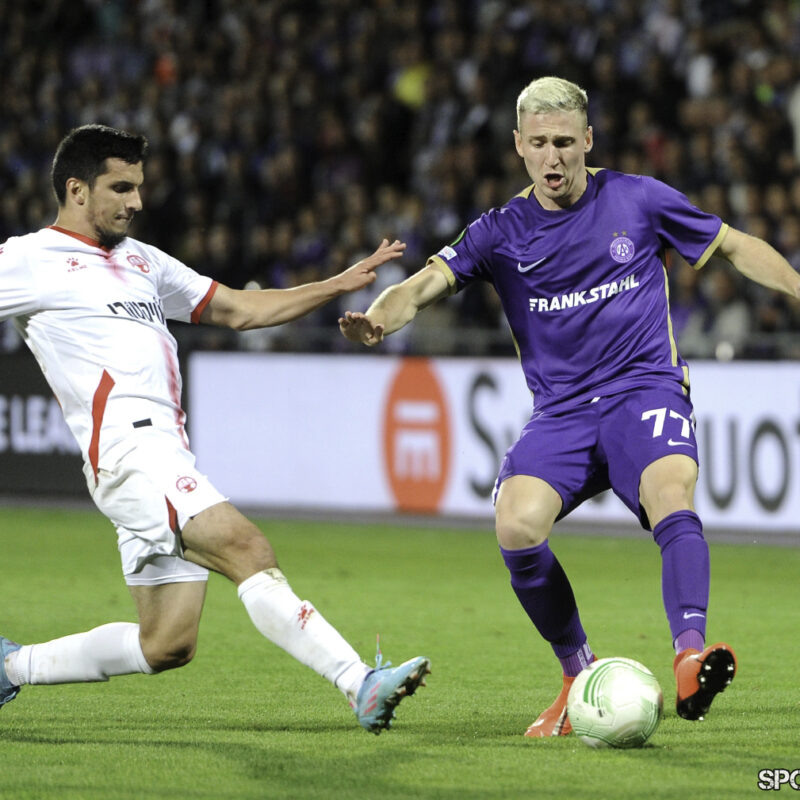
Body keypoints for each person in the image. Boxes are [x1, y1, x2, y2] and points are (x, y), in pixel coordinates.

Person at [340, 76, 800, 737]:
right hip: (563, 413)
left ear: (587, 140)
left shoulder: (639, 199)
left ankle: (689, 657)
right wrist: (380, 319)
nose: (551, 157)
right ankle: (576, 673)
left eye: (563, 142)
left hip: (644, 389)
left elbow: (731, 244)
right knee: (515, 524)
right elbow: (422, 285)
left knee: (671, 491)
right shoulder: (499, 232)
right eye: (538, 144)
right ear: (518, 146)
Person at [0, 124, 430, 734]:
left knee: (167, 642)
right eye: (120, 188)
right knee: (248, 549)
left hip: (165, 454)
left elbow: (236, 308)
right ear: (76, 190)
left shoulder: (142, 259)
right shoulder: (27, 259)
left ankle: (10, 667)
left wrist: (336, 284)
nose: (137, 201)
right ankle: (358, 681)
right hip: (129, 453)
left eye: (139, 187)